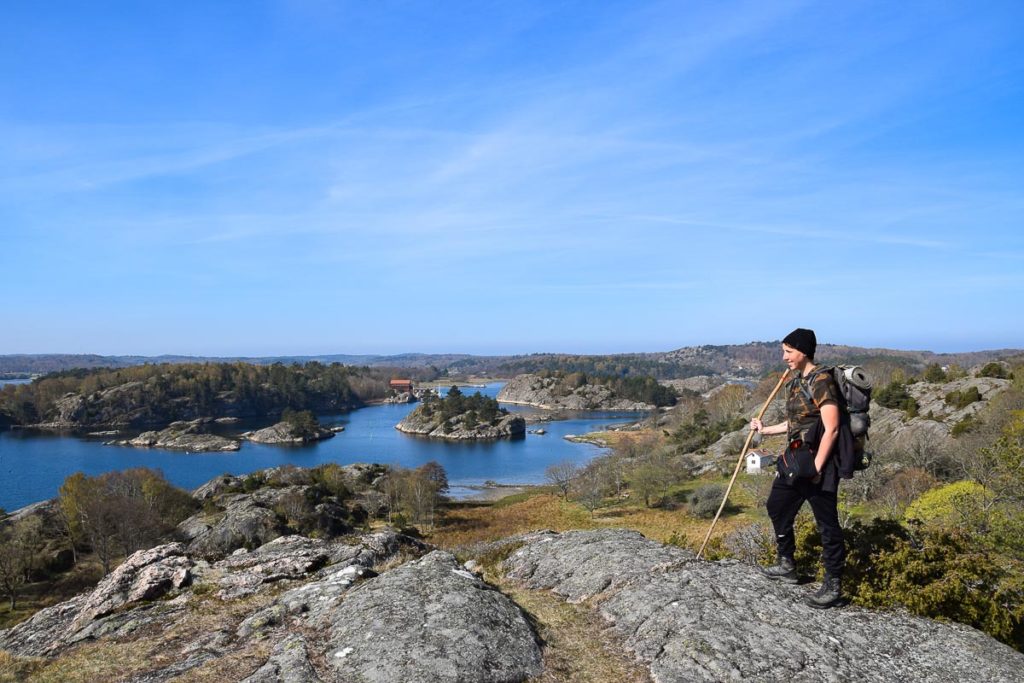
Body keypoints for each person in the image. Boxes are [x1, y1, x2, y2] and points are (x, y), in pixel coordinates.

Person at [750, 328, 845, 609]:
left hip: (819, 464)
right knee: (777, 506)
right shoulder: (794, 383)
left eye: (788, 351)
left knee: (827, 524)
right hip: (795, 460)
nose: (784, 357)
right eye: (784, 351)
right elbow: (794, 425)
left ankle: (833, 584)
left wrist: (817, 466)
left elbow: (833, 428)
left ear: (804, 351)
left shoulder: (822, 380)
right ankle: (786, 563)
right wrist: (764, 430)